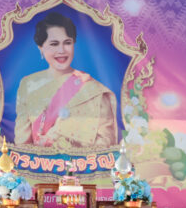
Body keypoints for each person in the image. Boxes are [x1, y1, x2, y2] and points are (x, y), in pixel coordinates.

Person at [14, 12, 118, 150]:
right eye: (54, 44)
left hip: (84, 162)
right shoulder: (28, 84)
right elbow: (22, 144)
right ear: (41, 48)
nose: (62, 50)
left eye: (67, 43)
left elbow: (106, 141)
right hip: (37, 161)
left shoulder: (92, 88)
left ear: (74, 44)